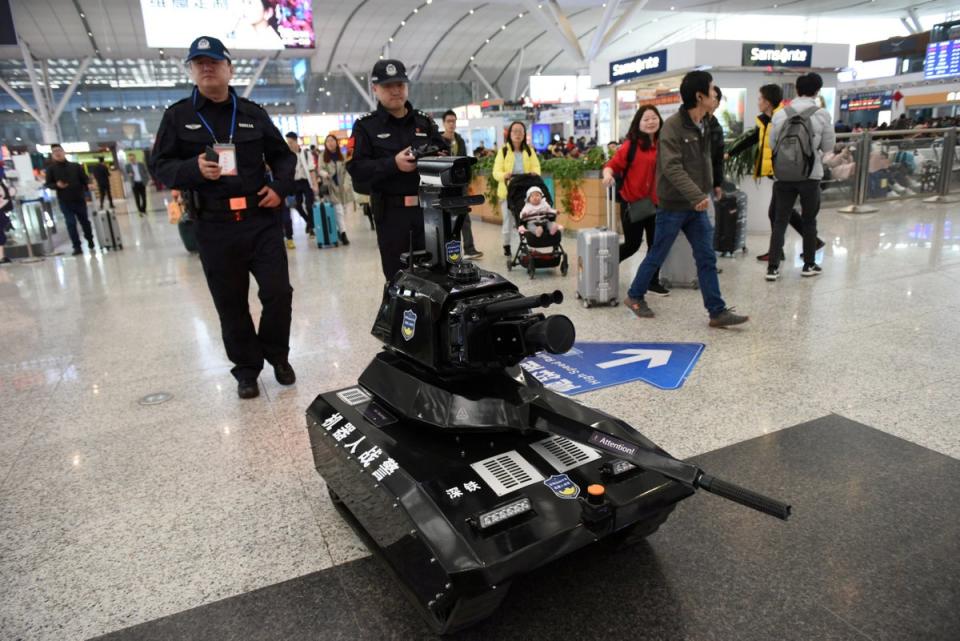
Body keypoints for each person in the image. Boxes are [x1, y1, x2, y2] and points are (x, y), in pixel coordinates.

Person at [150, 35, 296, 400]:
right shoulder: (178, 116)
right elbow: (161, 167)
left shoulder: (252, 114)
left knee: (278, 292)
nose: (206, 67)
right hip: (213, 226)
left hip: (260, 219)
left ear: (229, 69)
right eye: (199, 62)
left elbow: (283, 156)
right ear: (191, 70)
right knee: (230, 302)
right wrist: (192, 169)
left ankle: (277, 355)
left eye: (214, 61)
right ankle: (247, 369)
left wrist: (279, 187)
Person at [623, 70, 749, 328]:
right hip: (673, 206)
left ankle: (716, 311)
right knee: (658, 253)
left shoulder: (704, 123)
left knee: (706, 257)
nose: (716, 95)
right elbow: (672, 167)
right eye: (712, 90)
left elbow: (704, 161)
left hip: (696, 205)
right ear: (699, 95)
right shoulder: (673, 126)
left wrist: (712, 186)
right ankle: (635, 296)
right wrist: (695, 195)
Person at [347, 58, 448, 280]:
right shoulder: (366, 127)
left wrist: (439, 158)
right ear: (375, 89)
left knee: (436, 275)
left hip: (429, 211)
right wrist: (393, 164)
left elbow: (445, 152)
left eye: (400, 85)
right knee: (398, 278)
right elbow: (356, 168)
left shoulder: (424, 122)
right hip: (391, 214)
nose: (395, 91)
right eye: (387, 86)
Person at [726, 84, 824, 261]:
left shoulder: (781, 117)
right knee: (780, 211)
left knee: (776, 213)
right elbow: (753, 138)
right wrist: (731, 153)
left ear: (768, 101)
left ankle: (779, 251)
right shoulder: (766, 119)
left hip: (787, 171)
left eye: (760, 99)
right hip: (779, 171)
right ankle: (806, 243)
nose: (758, 102)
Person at [766, 72, 835, 281]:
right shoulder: (821, 114)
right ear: (817, 91)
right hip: (810, 176)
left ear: (796, 89)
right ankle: (808, 265)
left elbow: (772, 145)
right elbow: (828, 147)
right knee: (809, 220)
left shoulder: (780, 114)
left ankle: (773, 268)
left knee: (780, 221)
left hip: (783, 176)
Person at [601, 105, 669, 296]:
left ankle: (652, 281)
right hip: (633, 204)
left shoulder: (665, 143)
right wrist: (608, 175)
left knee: (656, 244)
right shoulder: (630, 146)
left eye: (653, 118)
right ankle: (605, 268)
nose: (650, 122)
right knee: (632, 244)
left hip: (658, 203)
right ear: (638, 123)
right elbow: (611, 165)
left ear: (659, 120)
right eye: (646, 119)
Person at [492, 121, 540, 257]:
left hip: (525, 191)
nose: (518, 134)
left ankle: (524, 243)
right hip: (508, 191)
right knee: (508, 220)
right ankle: (506, 245)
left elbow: (536, 167)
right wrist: (504, 175)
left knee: (526, 218)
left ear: (524, 134)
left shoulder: (529, 151)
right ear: (510, 134)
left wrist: (535, 173)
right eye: (515, 131)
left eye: (520, 131)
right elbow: (496, 172)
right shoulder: (504, 151)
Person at [441, 109, 483, 259]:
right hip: (445, 186)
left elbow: (464, 161)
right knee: (447, 219)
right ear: (444, 123)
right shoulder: (439, 141)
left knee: (464, 216)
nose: (452, 124)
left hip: (460, 184)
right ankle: (451, 251)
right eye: (449, 121)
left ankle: (470, 249)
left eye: (454, 121)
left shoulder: (459, 140)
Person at [44, 144, 96, 256]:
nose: (57, 153)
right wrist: (57, 185)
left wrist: (89, 185)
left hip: (79, 198)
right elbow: (48, 184)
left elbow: (84, 179)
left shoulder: (75, 166)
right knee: (71, 223)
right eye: (54, 152)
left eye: (59, 150)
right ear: (52, 155)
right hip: (64, 200)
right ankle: (77, 246)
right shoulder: (51, 169)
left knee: (85, 222)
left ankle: (90, 240)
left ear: (64, 152)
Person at [318, 134, 352, 245]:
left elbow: (347, 171)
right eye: (327, 141)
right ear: (325, 144)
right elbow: (320, 169)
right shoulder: (323, 156)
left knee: (341, 211)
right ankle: (343, 234)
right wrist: (325, 174)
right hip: (330, 187)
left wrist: (347, 184)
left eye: (332, 140)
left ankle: (337, 231)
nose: (330, 143)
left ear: (336, 142)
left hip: (342, 188)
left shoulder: (342, 155)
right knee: (339, 210)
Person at [285, 131, 316, 242]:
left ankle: (311, 228)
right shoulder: (287, 156)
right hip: (295, 183)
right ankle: (309, 221)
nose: (290, 145)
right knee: (297, 206)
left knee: (309, 205)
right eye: (288, 142)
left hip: (306, 182)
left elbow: (312, 169)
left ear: (296, 141)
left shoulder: (306, 153)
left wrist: (315, 185)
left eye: (291, 142)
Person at [707, 86, 725, 198]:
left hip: (708, 183)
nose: (711, 100)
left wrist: (717, 183)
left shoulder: (717, 128)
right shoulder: (693, 123)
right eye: (709, 97)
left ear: (718, 104)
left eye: (714, 98)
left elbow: (718, 158)